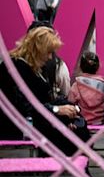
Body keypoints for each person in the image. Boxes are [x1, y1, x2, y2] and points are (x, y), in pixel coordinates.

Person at [0, 27, 89, 155]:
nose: (50, 57)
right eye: (48, 52)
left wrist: (66, 108)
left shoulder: (31, 67)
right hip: (18, 129)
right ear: (38, 50)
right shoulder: (16, 67)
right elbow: (24, 106)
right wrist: (58, 110)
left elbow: (40, 102)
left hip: (33, 125)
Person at [68, 51, 104, 125]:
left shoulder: (76, 86)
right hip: (101, 126)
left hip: (82, 126)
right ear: (98, 67)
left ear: (80, 66)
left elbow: (70, 105)